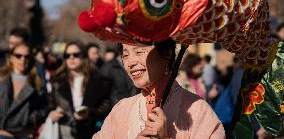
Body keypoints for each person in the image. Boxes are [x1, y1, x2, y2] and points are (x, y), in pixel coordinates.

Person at [93, 40, 225, 138]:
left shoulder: (197, 109)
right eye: (125, 54)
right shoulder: (121, 109)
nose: (130, 62)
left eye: (139, 52)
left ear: (167, 53)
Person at [48, 41, 112, 139]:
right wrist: (52, 112)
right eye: (67, 55)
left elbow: (107, 105)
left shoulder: (98, 80)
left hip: (92, 131)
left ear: (84, 57)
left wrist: (90, 112)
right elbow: (50, 104)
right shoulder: (57, 81)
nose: (71, 58)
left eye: (76, 55)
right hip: (65, 131)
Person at [0, 43, 48, 139]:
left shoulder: (36, 81)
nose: (23, 59)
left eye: (27, 56)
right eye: (18, 56)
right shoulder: (1, 78)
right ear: (11, 58)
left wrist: (31, 118)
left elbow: (45, 107)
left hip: (24, 134)